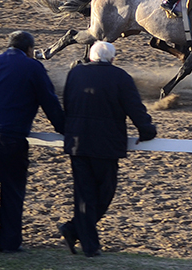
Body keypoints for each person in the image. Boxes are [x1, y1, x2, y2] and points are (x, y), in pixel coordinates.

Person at [0, 30, 65, 253]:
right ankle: (10, 242)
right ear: (30, 50)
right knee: (12, 188)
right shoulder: (33, 67)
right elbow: (49, 102)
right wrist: (64, 129)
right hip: (8, 135)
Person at [58, 41, 157, 257]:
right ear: (112, 59)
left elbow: (67, 103)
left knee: (85, 195)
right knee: (105, 193)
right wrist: (146, 130)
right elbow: (135, 108)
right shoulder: (121, 77)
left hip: (78, 142)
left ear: (91, 57)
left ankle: (75, 231)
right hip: (106, 144)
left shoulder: (75, 74)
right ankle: (88, 244)